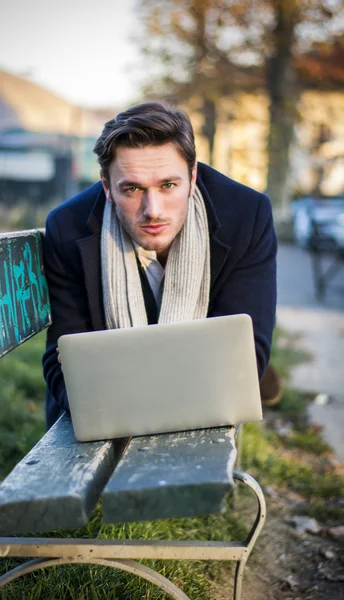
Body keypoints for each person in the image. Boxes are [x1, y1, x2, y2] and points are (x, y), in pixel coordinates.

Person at [42, 102, 277, 428]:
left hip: (197, 409)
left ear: (193, 176)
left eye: (168, 185)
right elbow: (62, 362)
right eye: (133, 188)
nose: (152, 210)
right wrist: (117, 411)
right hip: (107, 416)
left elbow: (246, 356)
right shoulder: (68, 228)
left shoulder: (247, 216)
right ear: (107, 186)